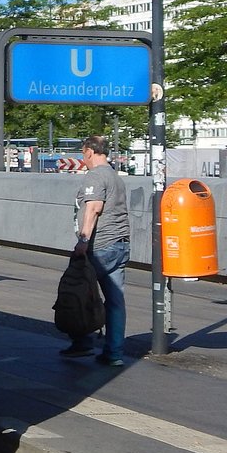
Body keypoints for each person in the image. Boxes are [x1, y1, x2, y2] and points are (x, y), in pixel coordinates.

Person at [60, 134, 130, 366]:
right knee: (115, 300)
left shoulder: (96, 175)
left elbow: (93, 209)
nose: (84, 159)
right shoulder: (114, 176)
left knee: (80, 292)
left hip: (100, 246)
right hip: (121, 244)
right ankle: (114, 353)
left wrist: (83, 240)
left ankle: (82, 342)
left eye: (83, 154)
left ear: (89, 152)